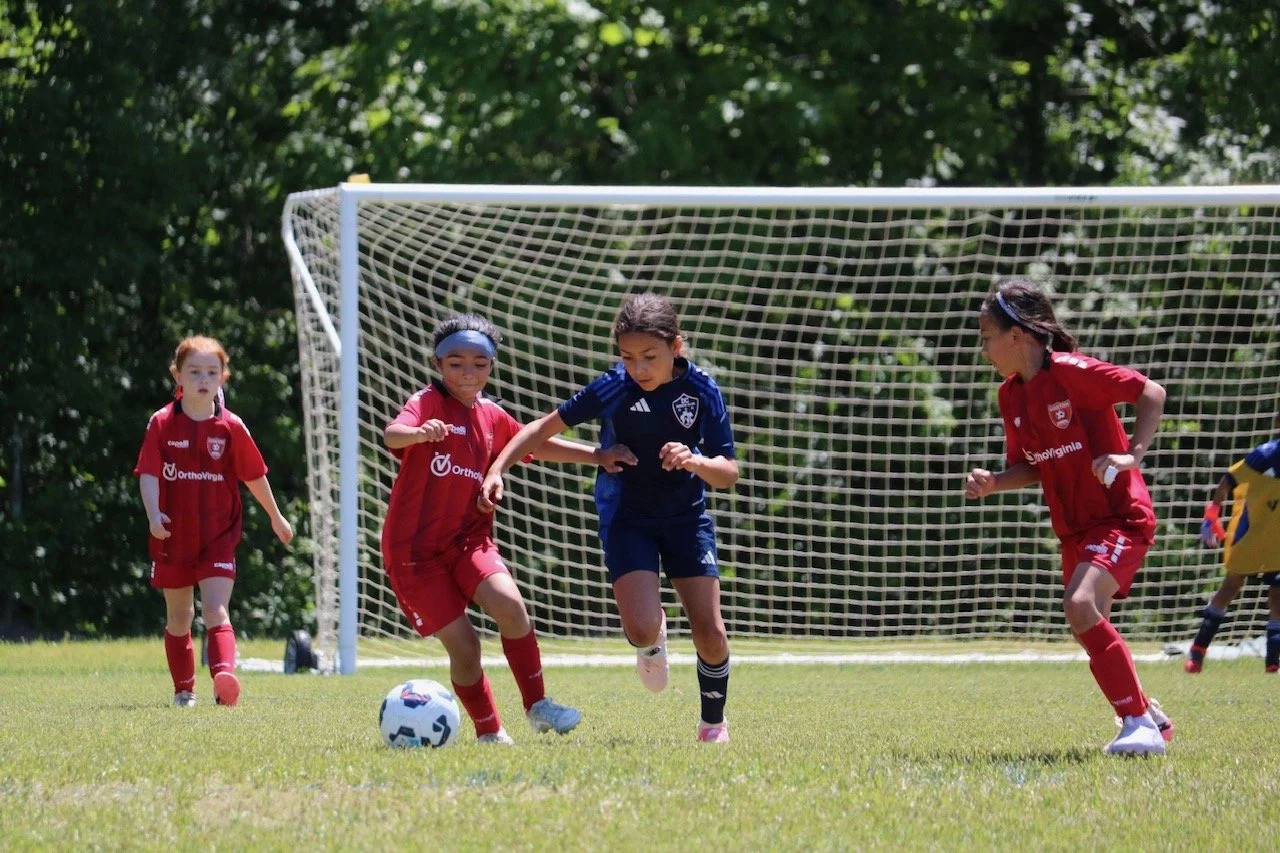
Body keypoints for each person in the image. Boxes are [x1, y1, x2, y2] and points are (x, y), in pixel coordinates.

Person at [480, 292, 739, 744]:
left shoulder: (701, 390)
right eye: (627, 356)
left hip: (686, 518)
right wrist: (498, 469)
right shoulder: (614, 386)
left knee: (711, 633)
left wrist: (695, 460)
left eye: (649, 357)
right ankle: (653, 637)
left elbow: (728, 474)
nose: (638, 368)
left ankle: (712, 725)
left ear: (677, 347)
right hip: (628, 516)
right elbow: (540, 430)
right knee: (639, 628)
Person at [382, 314, 619, 744]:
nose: (467, 372)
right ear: (438, 365)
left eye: (479, 363)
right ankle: (490, 731)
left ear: (492, 366)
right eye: (455, 363)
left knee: (511, 607)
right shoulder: (428, 403)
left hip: (468, 541)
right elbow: (393, 434)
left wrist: (597, 456)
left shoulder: (490, 414)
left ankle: (538, 706)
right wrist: (418, 433)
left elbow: (534, 443)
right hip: (414, 554)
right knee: (467, 647)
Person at [963, 278, 1174, 756]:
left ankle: (1137, 724)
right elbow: (1033, 466)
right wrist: (996, 481)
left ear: (1017, 336)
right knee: (1088, 623)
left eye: (986, 337)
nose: (983, 350)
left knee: (1080, 606)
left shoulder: (1074, 372)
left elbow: (1151, 392)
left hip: (1121, 516)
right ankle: (1149, 715)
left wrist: (1131, 456)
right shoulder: (1010, 396)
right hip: (1074, 529)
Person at [134, 336, 294, 708]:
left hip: (218, 537)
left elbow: (254, 475)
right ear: (178, 375)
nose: (203, 379)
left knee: (215, 610)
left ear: (223, 377)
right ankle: (184, 690)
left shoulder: (231, 427)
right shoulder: (161, 423)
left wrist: (276, 516)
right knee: (180, 616)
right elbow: (148, 474)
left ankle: (225, 680)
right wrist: (154, 514)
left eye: (212, 371)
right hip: (172, 536)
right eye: (194, 371)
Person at [1186, 414, 1280, 674]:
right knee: (1230, 587)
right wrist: (1211, 514)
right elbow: (1228, 481)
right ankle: (1197, 652)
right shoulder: (1265, 454)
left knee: (1278, 596)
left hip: (1278, 538)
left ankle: (1273, 663)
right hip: (1251, 533)